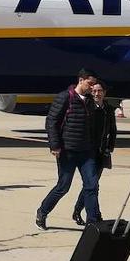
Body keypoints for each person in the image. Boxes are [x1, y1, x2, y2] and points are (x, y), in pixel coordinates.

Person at [35, 69, 102, 229]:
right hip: (67, 151)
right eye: (90, 83)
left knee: (92, 186)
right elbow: (51, 121)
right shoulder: (65, 97)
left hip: (86, 152)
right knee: (63, 186)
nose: (92, 88)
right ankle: (42, 211)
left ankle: (92, 222)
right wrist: (55, 145)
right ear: (81, 80)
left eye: (94, 84)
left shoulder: (90, 101)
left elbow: (93, 126)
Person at [72, 79, 116, 225]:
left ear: (104, 93)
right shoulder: (87, 107)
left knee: (91, 185)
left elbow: (113, 129)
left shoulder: (108, 109)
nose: (97, 94)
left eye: (99, 91)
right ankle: (94, 215)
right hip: (88, 152)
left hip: (102, 152)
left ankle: (78, 210)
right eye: (94, 91)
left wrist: (110, 146)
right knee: (92, 185)